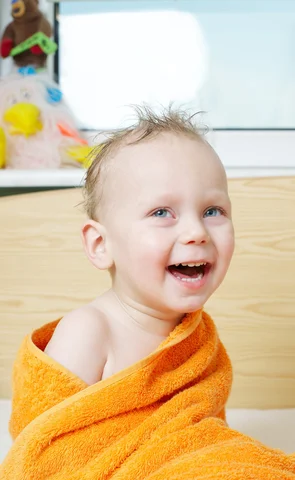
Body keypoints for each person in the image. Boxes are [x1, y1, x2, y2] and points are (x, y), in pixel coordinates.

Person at [44, 106, 235, 385]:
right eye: (161, 213)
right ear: (101, 245)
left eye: (212, 211)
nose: (197, 232)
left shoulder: (197, 337)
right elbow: (48, 426)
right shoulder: (89, 332)